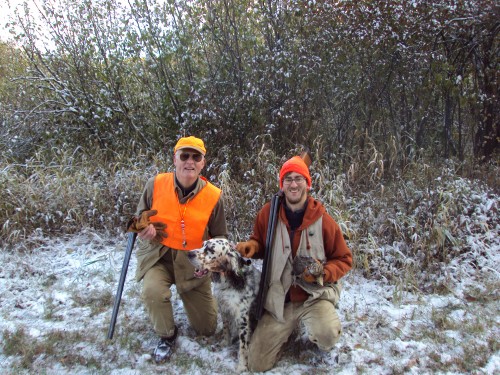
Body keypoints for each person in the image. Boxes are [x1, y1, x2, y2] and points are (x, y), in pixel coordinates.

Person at [236, 155, 353, 372]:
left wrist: (323, 273)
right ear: (282, 185)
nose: (293, 184)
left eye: (299, 178)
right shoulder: (268, 213)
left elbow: (344, 259)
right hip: (280, 300)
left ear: (307, 183)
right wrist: (252, 246)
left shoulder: (323, 220)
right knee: (256, 364)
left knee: (327, 335)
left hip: (313, 297)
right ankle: (288, 331)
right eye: (288, 179)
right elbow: (261, 242)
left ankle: (315, 329)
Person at [130, 136, 228, 364]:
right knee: (153, 292)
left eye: (196, 157)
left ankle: (188, 295)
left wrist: (210, 264)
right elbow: (136, 221)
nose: (189, 162)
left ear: (203, 162)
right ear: (175, 159)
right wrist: (142, 228)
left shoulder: (214, 196)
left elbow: (221, 237)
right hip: (159, 258)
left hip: (194, 266)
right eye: (184, 156)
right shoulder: (154, 184)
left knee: (207, 329)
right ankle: (167, 335)